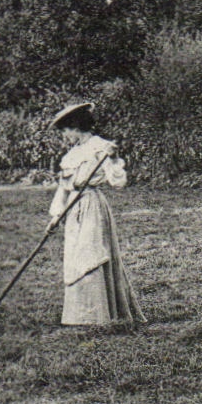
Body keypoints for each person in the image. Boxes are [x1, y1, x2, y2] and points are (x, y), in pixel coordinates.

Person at [49, 102, 146, 327]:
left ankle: (100, 314)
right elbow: (64, 188)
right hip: (73, 208)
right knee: (76, 256)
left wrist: (112, 158)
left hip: (92, 206)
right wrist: (56, 216)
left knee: (91, 253)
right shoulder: (71, 155)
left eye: (65, 131)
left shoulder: (101, 147)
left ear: (75, 126)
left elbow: (118, 181)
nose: (64, 136)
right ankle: (80, 315)